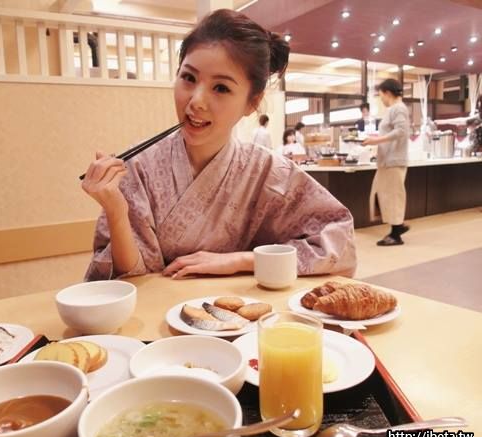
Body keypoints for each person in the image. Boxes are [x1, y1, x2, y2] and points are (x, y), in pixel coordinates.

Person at [82, 9, 356, 281]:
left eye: (221, 88)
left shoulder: (270, 172)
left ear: (252, 103)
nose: (196, 101)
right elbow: (132, 278)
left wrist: (241, 260)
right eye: (189, 78)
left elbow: (338, 238)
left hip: (238, 306)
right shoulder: (139, 166)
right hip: (159, 306)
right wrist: (117, 213)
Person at [362, 79, 410, 246]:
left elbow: (401, 131)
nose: (380, 98)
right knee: (382, 193)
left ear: (387, 93)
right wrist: (376, 140)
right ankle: (398, 225)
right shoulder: (394, 109)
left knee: (392, 196)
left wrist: (376, 140)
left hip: (393, 160)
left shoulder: (398, 108)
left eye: (380, 94)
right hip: (388, 161)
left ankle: (396, 234)